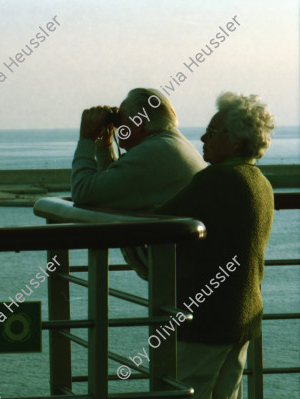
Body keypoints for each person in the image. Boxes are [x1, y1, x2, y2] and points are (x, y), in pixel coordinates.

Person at [150, 92, 275, 399]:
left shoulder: (217, 180)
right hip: (242, 318)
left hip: (206, 321)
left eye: (213, 131)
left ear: (235, 141)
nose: (203, 137)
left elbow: (154, 224)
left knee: (186, 392)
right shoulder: (260, 181)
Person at [71, 88, 207, 211]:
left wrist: (86, 139)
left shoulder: (153, 153)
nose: (116, 126)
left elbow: (82, 191)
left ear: (139, 123)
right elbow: (110, 190)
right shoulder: (170, 143)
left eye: (120, 118)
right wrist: (104, 145)